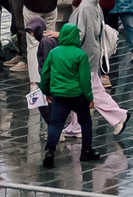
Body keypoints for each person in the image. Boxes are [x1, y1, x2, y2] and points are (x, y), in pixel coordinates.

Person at [38, 23, 100, 166]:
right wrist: (89, 97)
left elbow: (45, 74)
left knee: (55, 124)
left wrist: (46, 92)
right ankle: (86, 151)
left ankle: (50, 151)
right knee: (85, 122)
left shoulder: (54, 53)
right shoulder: (80, 54)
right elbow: (84, 80)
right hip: (77, 96)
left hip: (59, 96)